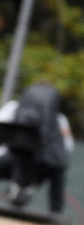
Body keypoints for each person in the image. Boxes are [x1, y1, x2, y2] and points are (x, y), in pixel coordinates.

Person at [0, 81, 73, 217]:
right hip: (36, 167)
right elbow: (67, 149)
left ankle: (55, 214)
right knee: (58, 171)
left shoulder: (13, 108)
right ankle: (56, 213)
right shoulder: (60, 119)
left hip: (19, 163)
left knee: (57, 170)